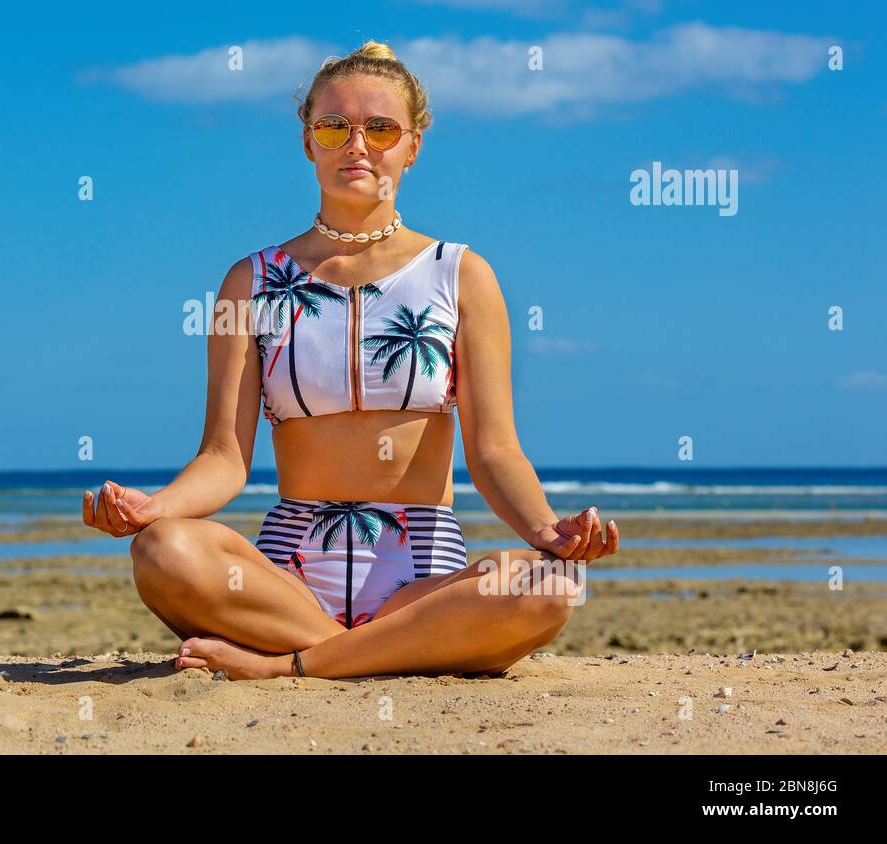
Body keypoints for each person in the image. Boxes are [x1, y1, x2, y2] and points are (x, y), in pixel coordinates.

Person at [82, 40, 619, 680]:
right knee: (163, 550)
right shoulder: (248, 283)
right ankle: (372, 657)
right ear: (308, 142)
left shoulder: (462, 276)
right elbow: (223, 458)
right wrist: (152, 508)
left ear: (413, 145)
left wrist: (548, 533)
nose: (355, 145)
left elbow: (494, 451)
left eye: (380, 128)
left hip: (421, 582)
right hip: (285, 581)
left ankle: (293, 667)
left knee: (551, 586)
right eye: (333, 126)